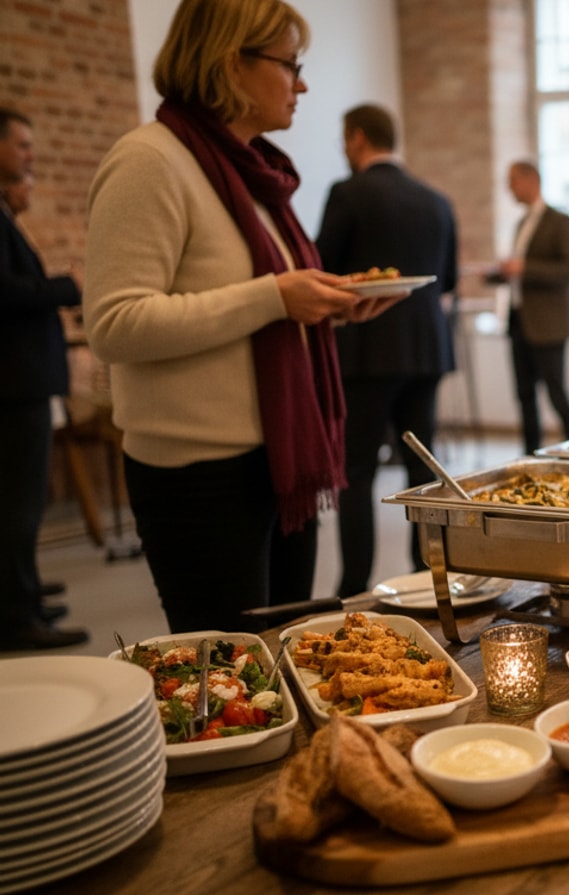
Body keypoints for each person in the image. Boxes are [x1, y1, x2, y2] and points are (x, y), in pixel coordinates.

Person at [84, 0, 397, 633]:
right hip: (200, 477)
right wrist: (276, 297)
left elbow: (254, 317)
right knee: (230, 677)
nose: (302, 83)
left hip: (281, 461)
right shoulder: (151, 161)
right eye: (290, 65)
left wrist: (333, 308)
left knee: (284, 653)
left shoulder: (251, 175)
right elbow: (115, 324)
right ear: (232, 64)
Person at [315, 103, 459, 598]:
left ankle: (354, 584)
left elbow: (323, 271)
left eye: (344, 140)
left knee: (356, 470)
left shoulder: (347, 193)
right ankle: (424, 577)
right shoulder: (436, 200)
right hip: (426, 349)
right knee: (422, 467)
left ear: (357, 138)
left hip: (366, 352)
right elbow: (450, 280)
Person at [0, 108, 87, 651]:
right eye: (23, 146)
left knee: (19, 503)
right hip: (13, 388)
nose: (31, 157)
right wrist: (64, 286)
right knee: (17, 505)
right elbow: (5, 293)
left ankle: (23, 596)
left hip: (20, 385)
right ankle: (16, 617)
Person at [490, 160, 569, 452]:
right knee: (524, 394)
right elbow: (520, 272)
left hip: (549, 323)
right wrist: (498, 274)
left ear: (531, 180)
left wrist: (523, 268)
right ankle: (529, 454)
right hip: (518, 320)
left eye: (513, 181)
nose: (509, 188)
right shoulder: (520, 223)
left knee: (556, 392)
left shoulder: (560, 221)